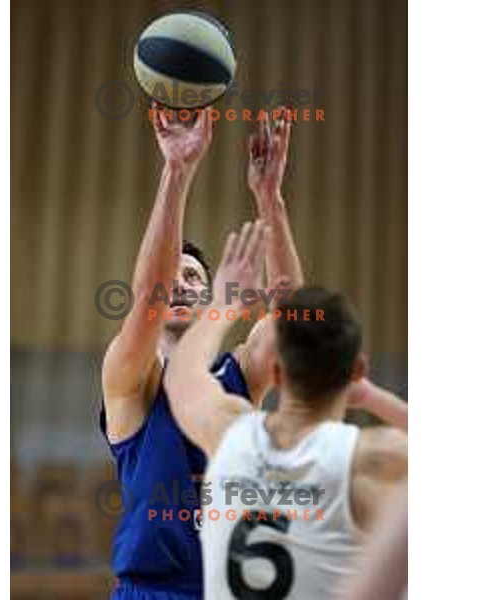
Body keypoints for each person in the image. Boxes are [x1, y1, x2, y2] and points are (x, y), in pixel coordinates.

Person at [101, 106, 303, 599]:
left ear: (212, 291)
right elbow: (147, 301)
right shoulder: (130, 381)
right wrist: (176, 170)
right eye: (172, 275)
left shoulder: (236, 375)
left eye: (193, 276)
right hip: (154, 590)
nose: (180, 284)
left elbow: (294, 322)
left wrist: (269, 200)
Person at [164, 221, 408, 599]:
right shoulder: (374, 458)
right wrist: (375, 398)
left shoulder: (229, 436)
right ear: (357, 370)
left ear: (276, 373)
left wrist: (223, 306)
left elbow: (181, 376)